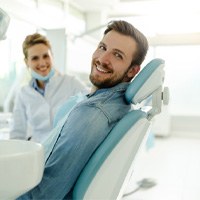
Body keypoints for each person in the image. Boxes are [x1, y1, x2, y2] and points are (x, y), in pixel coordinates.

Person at [17, 20, 149, 200]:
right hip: (37, 159)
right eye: (102, 47)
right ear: (27, 62)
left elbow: (45, 193)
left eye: (117, 55)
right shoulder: (108, 104)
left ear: (133, 70)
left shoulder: (93, 111)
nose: (103, 59)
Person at [9, 33, 88, 143]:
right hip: (37, 152)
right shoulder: (23, 93)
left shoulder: (71, 83)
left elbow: (91, 108)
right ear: (27, 62)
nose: (42, 63)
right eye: (35, 58)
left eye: (46, 56)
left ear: (52, 56)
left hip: (66, 147)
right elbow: (17, 133)